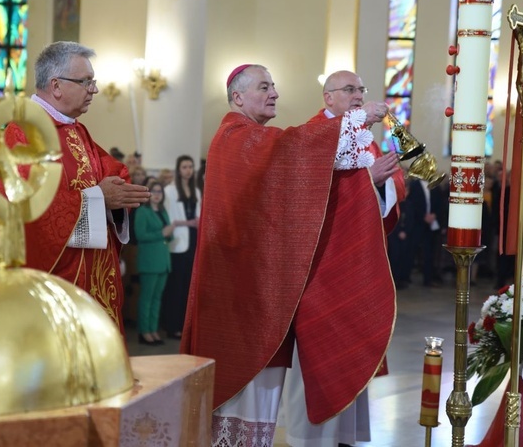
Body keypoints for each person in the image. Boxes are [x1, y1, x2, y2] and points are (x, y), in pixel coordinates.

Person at [181, 64, 396, 446]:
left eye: (273, 85)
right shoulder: (235, 136)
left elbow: (292, 182)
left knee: (258, 409)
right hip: (240, 294)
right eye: (264, 87)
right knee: (239, 405)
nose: (275, 93)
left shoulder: (253, 136)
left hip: (263, 289)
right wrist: (358, 119)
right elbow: (293, 150)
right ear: (238, 97)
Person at [0, 41, 150, 331]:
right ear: (56, 85)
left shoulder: (76, 130)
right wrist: (98, 199)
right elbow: (25, 210)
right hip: (52, 288)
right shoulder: (24, 134)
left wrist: (116, 195)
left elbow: (110, 173)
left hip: (89, 285)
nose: (93, 89)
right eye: (86, 82)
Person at [282, 70, 404, 447]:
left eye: (360, 89)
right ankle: (309, 439)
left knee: (352, 352)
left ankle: (345, 438)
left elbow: (388, 183)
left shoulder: (364, 138)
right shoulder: (315, 133)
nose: (357, 95)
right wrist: (368, 181)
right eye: (349, 89)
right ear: (328, 97)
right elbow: (309, 195)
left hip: (354, 267)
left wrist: (382, 183)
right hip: (320, 269)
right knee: (318, 358)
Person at [162, 155, 200, 339]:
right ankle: (172, 325)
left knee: (187, 285)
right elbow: (170, 218)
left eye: (190, 167)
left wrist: (194, 223)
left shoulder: (196, 191)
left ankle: (184, 326)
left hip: (193, 238)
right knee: (175, 286)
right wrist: (188, 222)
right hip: (178, 240)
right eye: (184, 167)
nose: (188, 170)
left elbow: (198, 216)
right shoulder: (170, 190)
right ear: (178, 169)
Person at [134, 179, 173, 345]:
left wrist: (168, 233)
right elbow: (140, 235)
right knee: (147, 298)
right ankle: (144, 332)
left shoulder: (163, 212)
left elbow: (168, 235)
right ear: (148, 193)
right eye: (154, 191)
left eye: (160, 192)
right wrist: (162, 233)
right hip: (149, 260)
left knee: (157, 298)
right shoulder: (143, 211)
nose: (157, 195)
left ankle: (154, 330)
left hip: (163, 260)